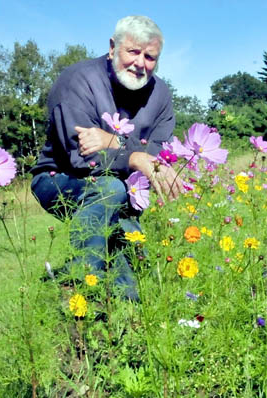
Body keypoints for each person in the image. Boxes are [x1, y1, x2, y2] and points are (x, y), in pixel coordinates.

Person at [31, 15, 184, 302]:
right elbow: (81, 158)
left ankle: (126, 309)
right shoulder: (77, 81)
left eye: (150, 57)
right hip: (58, 180)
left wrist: (114, 142)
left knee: (133, 259)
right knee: (110, 191)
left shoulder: (160, 93)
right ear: (113, 47)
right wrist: (135, 156)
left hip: (125, 188)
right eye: (133, 51)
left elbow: (159, 155)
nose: (140, 63)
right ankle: (84, 287)